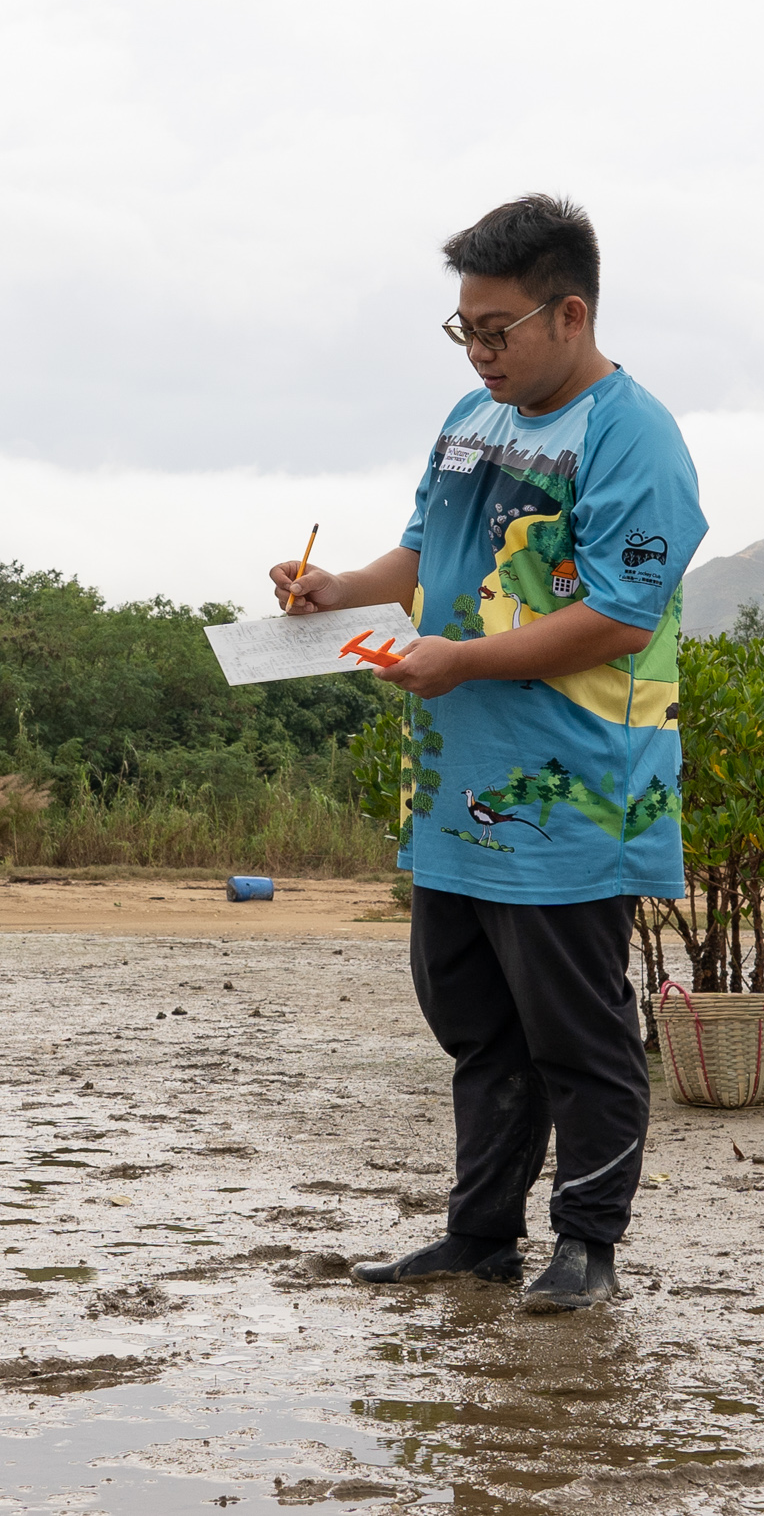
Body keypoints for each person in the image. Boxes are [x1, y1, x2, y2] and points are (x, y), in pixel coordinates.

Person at [270, 194, 706, 1314]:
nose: (478, 348)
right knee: (473, 1021)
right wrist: (341, 591)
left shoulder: (631, 435)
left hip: (573, 792)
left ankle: (588, 1247)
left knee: (578, 1029)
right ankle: (478, 1236)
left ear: (570, 313)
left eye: (498, 327)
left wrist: (461, 660)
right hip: (459, 786)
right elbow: (422, 549)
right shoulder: (474, 413)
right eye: (464, 325)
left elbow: (617, 616)